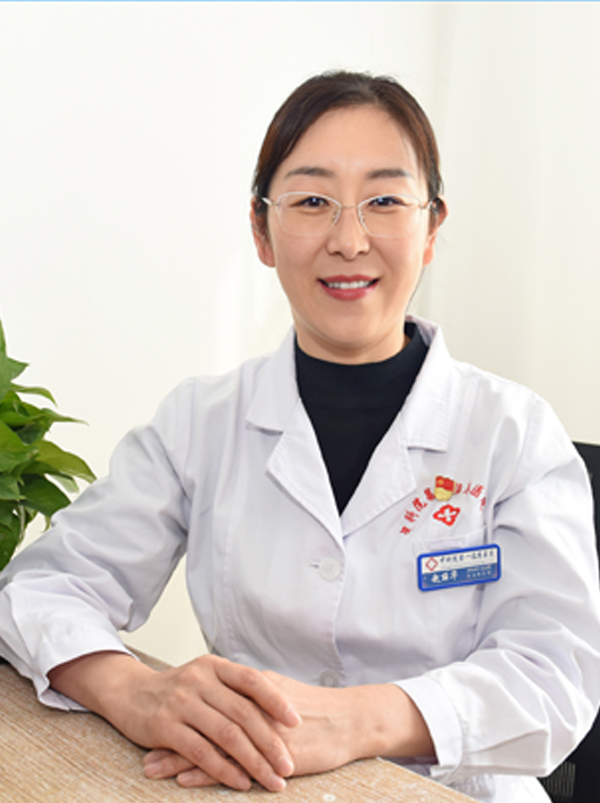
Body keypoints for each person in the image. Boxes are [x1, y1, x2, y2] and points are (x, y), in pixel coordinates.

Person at [0, 71, 599, 803]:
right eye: (312, 201)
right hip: (251, 783)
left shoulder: (513, 434)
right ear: (261, 230)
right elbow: (41, 590)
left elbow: (556, 677)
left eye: (384, 200)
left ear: (432, 228)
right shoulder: (199, 422)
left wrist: (358, 721)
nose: (349, 240)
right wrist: (136, 691)